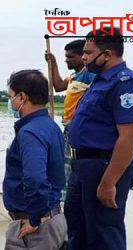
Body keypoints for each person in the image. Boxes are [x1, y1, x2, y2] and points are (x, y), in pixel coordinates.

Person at [66, 27, 133, 250]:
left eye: (89, 53)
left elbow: (131, 135)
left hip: (105, 165)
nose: (83, 58)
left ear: (107, 54)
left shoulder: (125, 83)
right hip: (83, 165)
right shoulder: (99, 81)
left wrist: (109, 182)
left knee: (103, 232)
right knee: (77, 227)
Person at [3, 70, 67, 250]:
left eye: (11, 96)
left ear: (22, 97)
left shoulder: (30, 132)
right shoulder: (51, 126)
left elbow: (35, 179)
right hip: (53, 217)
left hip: (35, 227)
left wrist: (34, 219)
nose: (10, 102)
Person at [45, 40, 96, 190]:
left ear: (83, 56)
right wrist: (53, 63)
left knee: (71, 166)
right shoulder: (74, 76)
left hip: (79, 128)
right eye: (66, 57)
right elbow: (59, 85)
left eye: (70, 57)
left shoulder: (89, 75)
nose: (66, 60)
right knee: (64, 164)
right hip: (68, 128)